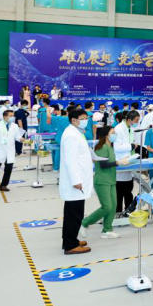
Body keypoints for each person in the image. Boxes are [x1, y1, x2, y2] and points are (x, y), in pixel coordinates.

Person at [80, 126, 130, 239]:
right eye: (113, 133)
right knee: (107, 206)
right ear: (106, 135)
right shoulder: (102, 147)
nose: (115, 135)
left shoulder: (110, 147)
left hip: (111, 180)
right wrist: (119, 162)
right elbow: (103, 164)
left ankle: (107, 230)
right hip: (102, 181)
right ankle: (85, 223)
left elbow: (111, 161)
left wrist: (125, 160)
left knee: (113, 206)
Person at [59, 108, 95, 255]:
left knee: (74, 213)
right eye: (83, 118)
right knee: (74, 214)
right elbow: (70, 160)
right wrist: (76, 180)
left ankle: (70, 239)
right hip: (75, 182)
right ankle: (70, 245)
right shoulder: (71, 135)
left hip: (79, 179)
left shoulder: (76, 132)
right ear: (74, 120)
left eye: (87, 118)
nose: (86, 120)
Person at [0, 108, 23, 191]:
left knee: (8, 168)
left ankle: (3, 185)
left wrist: (20, 139)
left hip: (10, 150)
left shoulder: (15, 126)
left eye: (13, 116)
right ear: (5, 116)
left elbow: (17, 136)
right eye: (10, 116)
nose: (12, 117)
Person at [114, 111, 140, 213]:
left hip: (129, 161)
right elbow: (117, 147)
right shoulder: (119, 129)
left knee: (128, 190)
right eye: (136, 120)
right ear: (129, 120)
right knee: (119, 192)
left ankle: (128, 212)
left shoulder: (130, 128)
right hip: (121, 162)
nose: (137, 123)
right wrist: (131, 146)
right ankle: (118, 213)